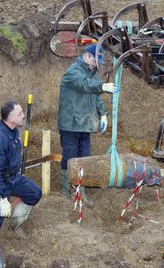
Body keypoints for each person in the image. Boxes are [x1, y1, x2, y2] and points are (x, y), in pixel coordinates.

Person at [58, 43, 117, 198]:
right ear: (86, 56)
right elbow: (84, 85)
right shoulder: (73, 72)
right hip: (70, 124)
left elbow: (94, 95)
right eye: (94, 60)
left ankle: (80, 190)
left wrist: (103, 113)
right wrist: (103, 86)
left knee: (85, 159)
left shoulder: (92, 73)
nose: (95, 64)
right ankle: (67, 191)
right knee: (70, 158)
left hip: (84, 124)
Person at [0, 100, 42, 236]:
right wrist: (2, 198)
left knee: (34, 193)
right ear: (10, 118)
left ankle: (15, 224)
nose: (23, 116)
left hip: (13, 177)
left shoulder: (13, 131)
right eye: (20, 113)